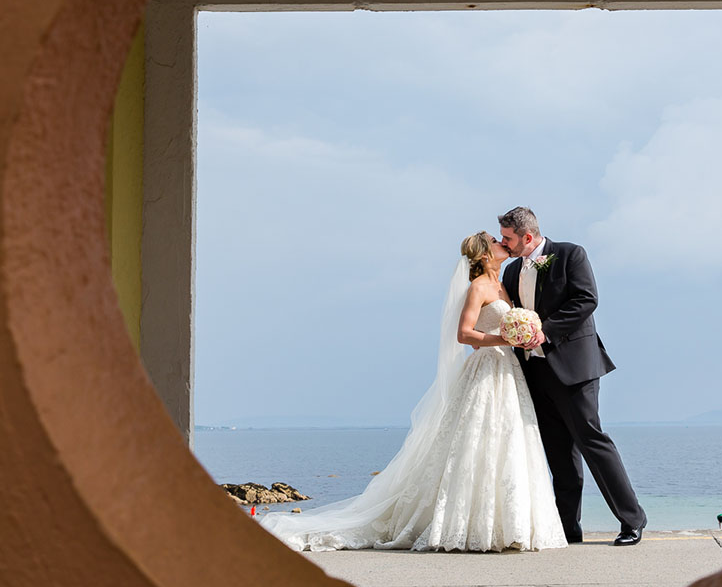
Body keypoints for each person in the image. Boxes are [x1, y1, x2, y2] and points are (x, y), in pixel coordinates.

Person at [256, 231, 566, 553]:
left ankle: (506, 525)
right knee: (478, 441)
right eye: (495, 240)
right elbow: (464, 334)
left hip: (508, 371)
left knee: (508, 440)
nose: (502, 242)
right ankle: (469, 525)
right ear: (485, 255)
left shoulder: (504, 283)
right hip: (486, 368)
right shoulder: (478, 287)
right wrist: (506, 339)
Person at [498, 206, 648, 546]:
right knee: (558, 453)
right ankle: (568, 528)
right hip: (533, 372)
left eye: (508, 239)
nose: (505, 245)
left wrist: (544, 331)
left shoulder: (569, 255)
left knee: (592, 441)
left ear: (527, 236)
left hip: (574, 367)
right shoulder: (510, 273)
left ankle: (632, 521)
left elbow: (586, 299)